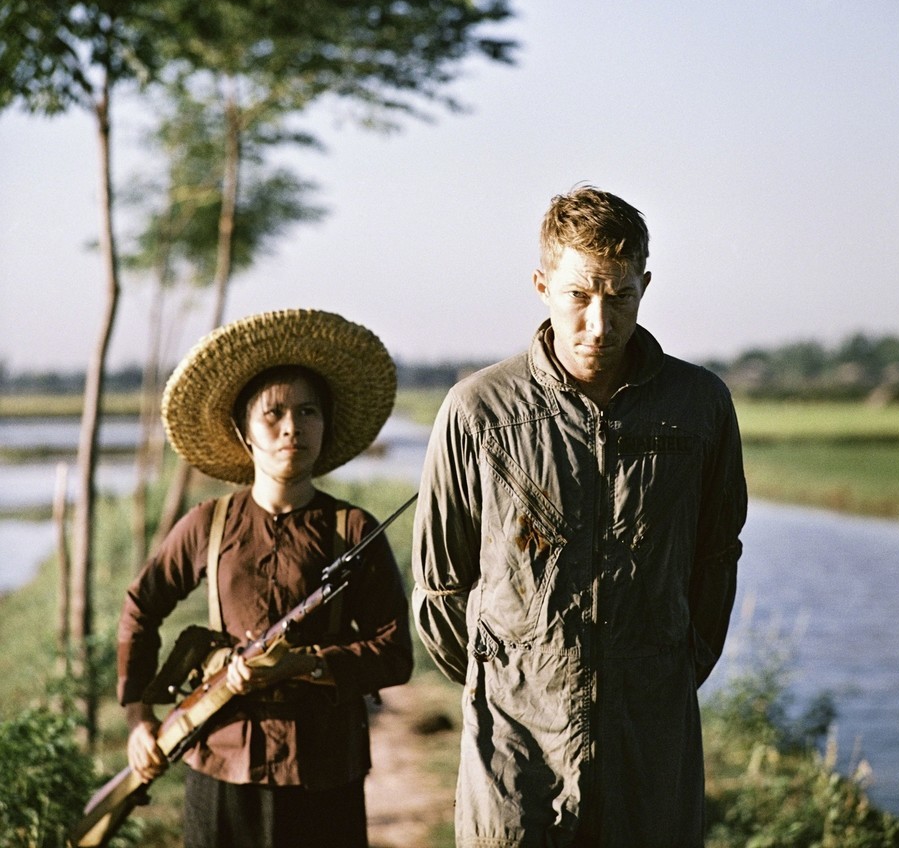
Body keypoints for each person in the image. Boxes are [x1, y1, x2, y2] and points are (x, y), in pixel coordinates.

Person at [412, 185, 747, 847]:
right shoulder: (478, 410)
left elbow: (716, 559)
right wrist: (519, 673)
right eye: (579, 296)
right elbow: (440, 590)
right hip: (515, 741)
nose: (600, 322)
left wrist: (661, 670)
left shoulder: (699, 405)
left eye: (620, 296)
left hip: (650, 733)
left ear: (645, 285)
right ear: (542, 284)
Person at [118, 308, 413, 848]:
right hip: (221, 765)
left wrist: (307, 665)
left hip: (326, 771)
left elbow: (395, 654)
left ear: (326, 424)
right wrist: (139, 717)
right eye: (272, 413)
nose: (292, 428)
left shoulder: (355, 530)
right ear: (244, 430)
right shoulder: (208, 525)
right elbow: (142, 604)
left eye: (308, 412)